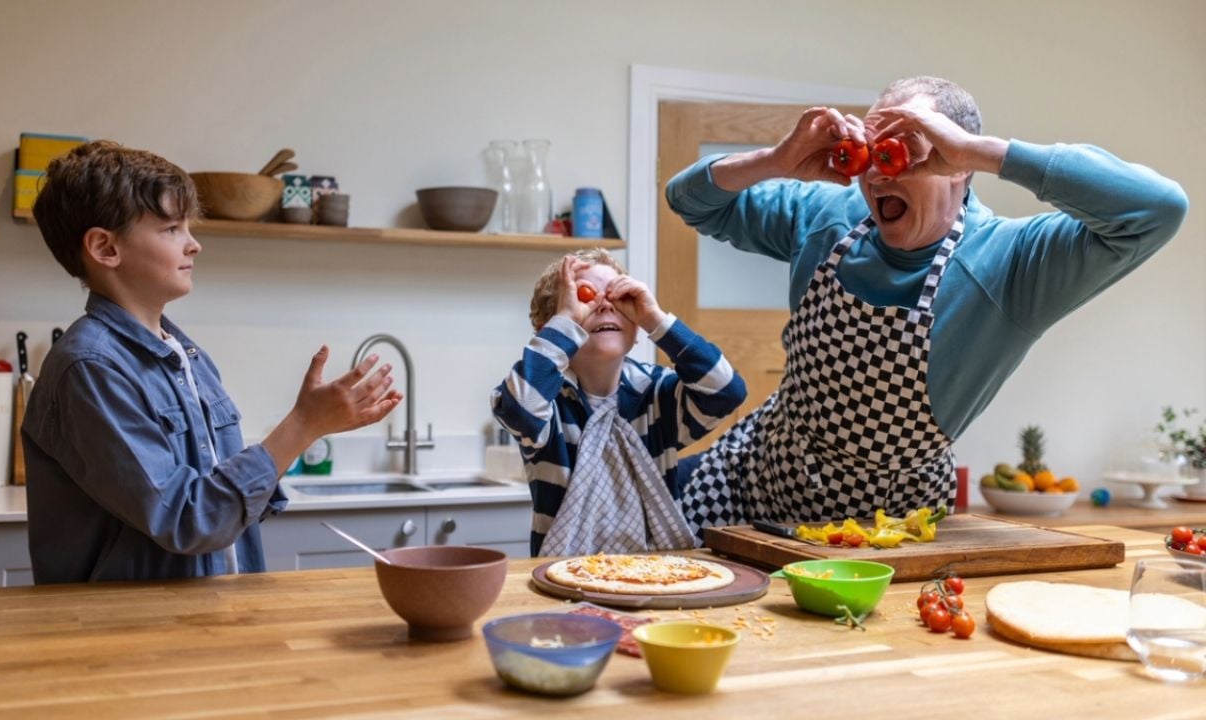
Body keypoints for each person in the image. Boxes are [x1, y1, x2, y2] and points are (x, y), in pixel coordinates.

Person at [666, 76, 1189, 536]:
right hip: (748, 488)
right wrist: (776, 160)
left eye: (906, 150)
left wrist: (983, 152)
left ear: (958, 165)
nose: (877, 174)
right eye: (873, 152)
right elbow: (689, 199)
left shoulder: (1010, 262)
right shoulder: (827, 216)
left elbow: (1157, 209)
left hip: (887, 531)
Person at [24, 141, 403, 583]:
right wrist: (302, 425)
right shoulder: (89, 369)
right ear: (105, 248)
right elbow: (188, 519)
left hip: (206, 618)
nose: (194, 245)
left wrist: (309, 426)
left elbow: (219, 505)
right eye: (171, 229)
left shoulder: (187, 357)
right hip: (132, 637)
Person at [491, 248, 746, 556]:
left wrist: (656, 320)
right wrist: (567, 320)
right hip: (564, 573)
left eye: (618, 300)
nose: (604, 307)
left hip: (658, 570)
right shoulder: (548, 400)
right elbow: (520, 407)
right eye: (584, 299)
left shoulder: (656, 394)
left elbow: (727, 390)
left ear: (637, 330)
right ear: (555, 329)